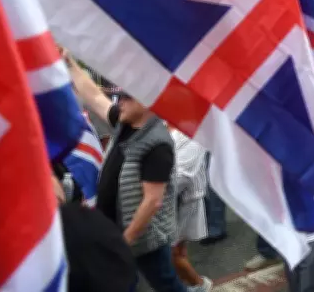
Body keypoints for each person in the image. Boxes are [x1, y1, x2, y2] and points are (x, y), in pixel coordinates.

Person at [66, 56, 187, 292]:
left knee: (166, 284)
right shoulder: (125, 123)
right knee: (122, 282)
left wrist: (126, 241)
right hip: (116, 230)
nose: (119, 101)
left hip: (142, 239)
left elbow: (152, 201)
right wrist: (69, 63)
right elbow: (94, 96)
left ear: (148, 102)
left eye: (126, 97)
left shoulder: (157, 144)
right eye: (119, 97)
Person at [170, 129, 212, 291]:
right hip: (171, 199)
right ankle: (195, 285)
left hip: (185, 200)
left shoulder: (192, 132)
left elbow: (182, 175)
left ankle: (201, 286)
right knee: (178, 252)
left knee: (172, 254)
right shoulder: (161, 121)